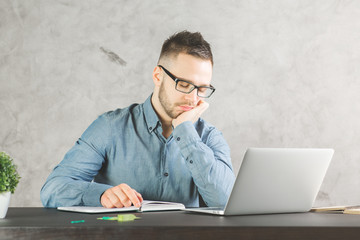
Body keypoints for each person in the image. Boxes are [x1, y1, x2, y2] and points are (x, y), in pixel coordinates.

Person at [40, 30, 235, 209]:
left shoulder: (209, 138)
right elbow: (53, 189)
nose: (193, 99)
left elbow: (226, 201)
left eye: (202, 89)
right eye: (184, 85)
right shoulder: (110, 127)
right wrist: (101, 195)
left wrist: (185, 130)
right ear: (158, 76)